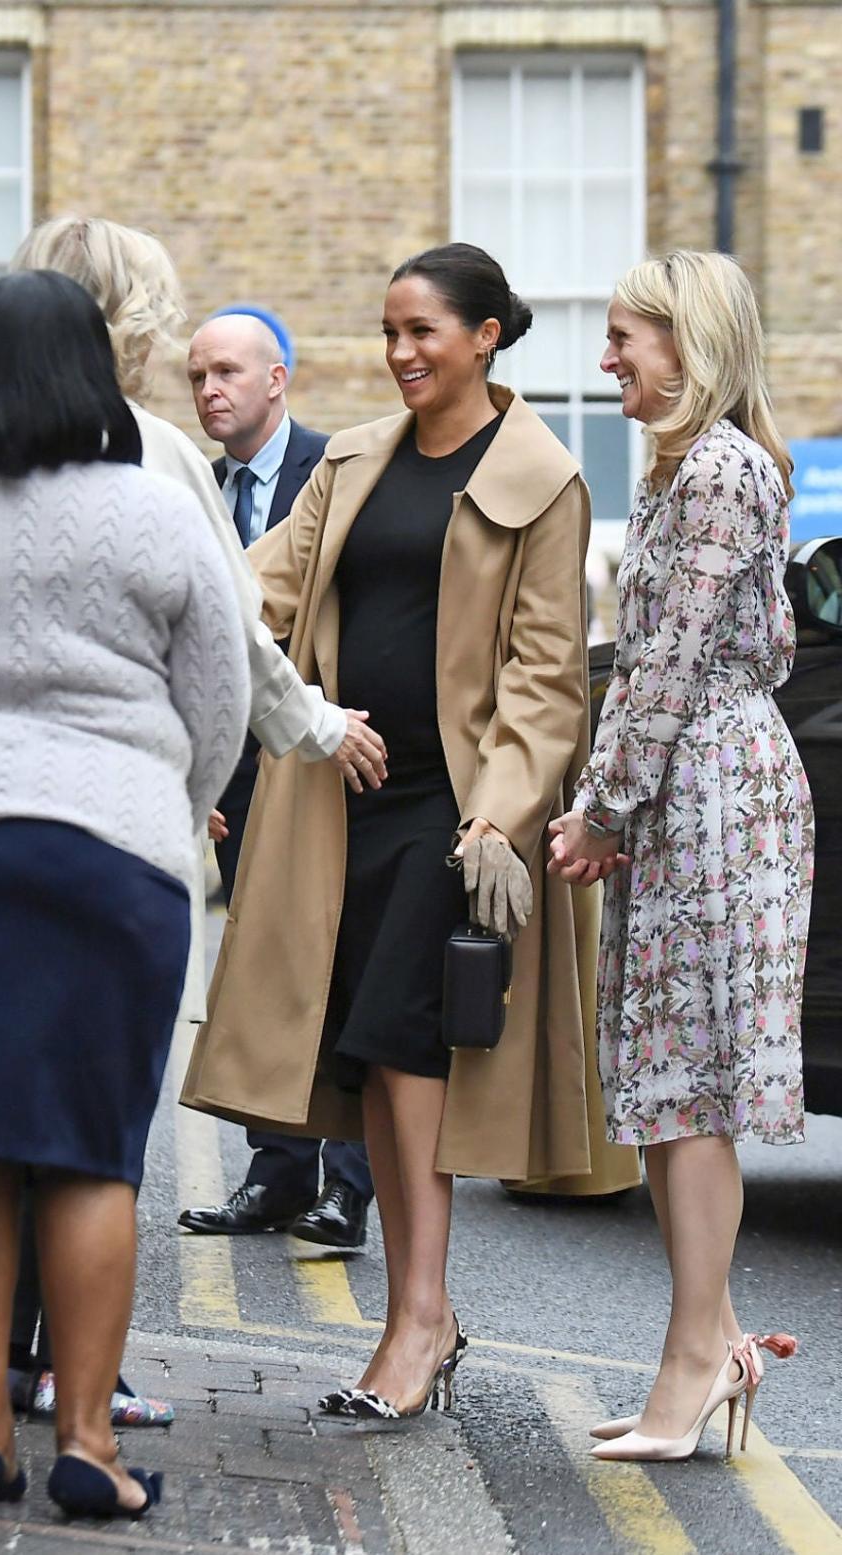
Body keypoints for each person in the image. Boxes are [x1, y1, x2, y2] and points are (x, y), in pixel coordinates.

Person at [0, 269, 250, 1517]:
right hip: (101, 848)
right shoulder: (158, 512)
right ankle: (87, 1443)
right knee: (86, 1154)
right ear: (95, 375)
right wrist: (159, 814)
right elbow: (219, 703)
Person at [183, 242, 611, 1418]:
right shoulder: (355, 461)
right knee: (370, 1050)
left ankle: (418, 1314)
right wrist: (286, 718)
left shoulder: (542, 477)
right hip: (344, 800)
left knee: (408, 1042)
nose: (400, 353)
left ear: (484, 336)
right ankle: (424, 1312)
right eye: (388, 332)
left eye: (423, 330)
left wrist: (499, 817)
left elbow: (545, 678)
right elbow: (252, 592)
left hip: (454, 812)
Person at [5, 217, 385, 1406]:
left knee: (3, 1112)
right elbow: (232, 653)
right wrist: (299, 741)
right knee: (101, 1120)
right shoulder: (153, 452)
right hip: (115, 827)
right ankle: (80, 1385)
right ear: (126, 324)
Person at [549, 250, 811, 1463]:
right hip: (688, 789)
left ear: (688, 341)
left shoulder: (715, 471)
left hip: (712, 794)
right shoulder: (687, 470)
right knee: (664, 1084)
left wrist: (603, 807)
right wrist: (617, 804)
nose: (606, 360)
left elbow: (661, 671)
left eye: (625, 338)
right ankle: (718, 1345)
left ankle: (694, 1362)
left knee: (687, 1084)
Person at [178, 311, 373, 1252]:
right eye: (196, 376)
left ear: (277, 379)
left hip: (326, 759)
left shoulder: (339, 471)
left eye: (226, 372)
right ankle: (277, 1170)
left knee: (337, 968)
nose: (209, 389)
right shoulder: (198, 489)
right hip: (246, 773)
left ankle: (350, 1187)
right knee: (256, 966)